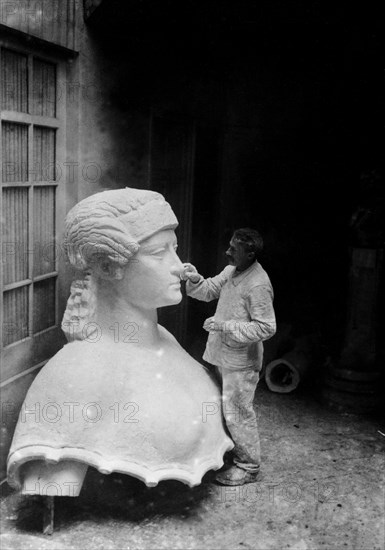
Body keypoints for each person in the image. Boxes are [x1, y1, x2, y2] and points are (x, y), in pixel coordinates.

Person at [7, 188, 233, 496]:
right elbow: (50, 482)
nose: (179, 266)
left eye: (175, 249)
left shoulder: (165, 342)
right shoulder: (75, 375)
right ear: (107, 267)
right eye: (158, 253)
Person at [183, 228, 276, 486]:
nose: (227, 252)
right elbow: (208, 289)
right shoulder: (231, 271)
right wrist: (194, 278)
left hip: (242, 362)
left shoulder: (258, 284)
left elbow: (266, 328)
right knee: (225, 409)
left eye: (233, 249)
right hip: (224, 356)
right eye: (229, 246)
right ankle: (230, 454)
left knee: (238, 412)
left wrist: (226, 325)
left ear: (250, 253)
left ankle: (248, 466)